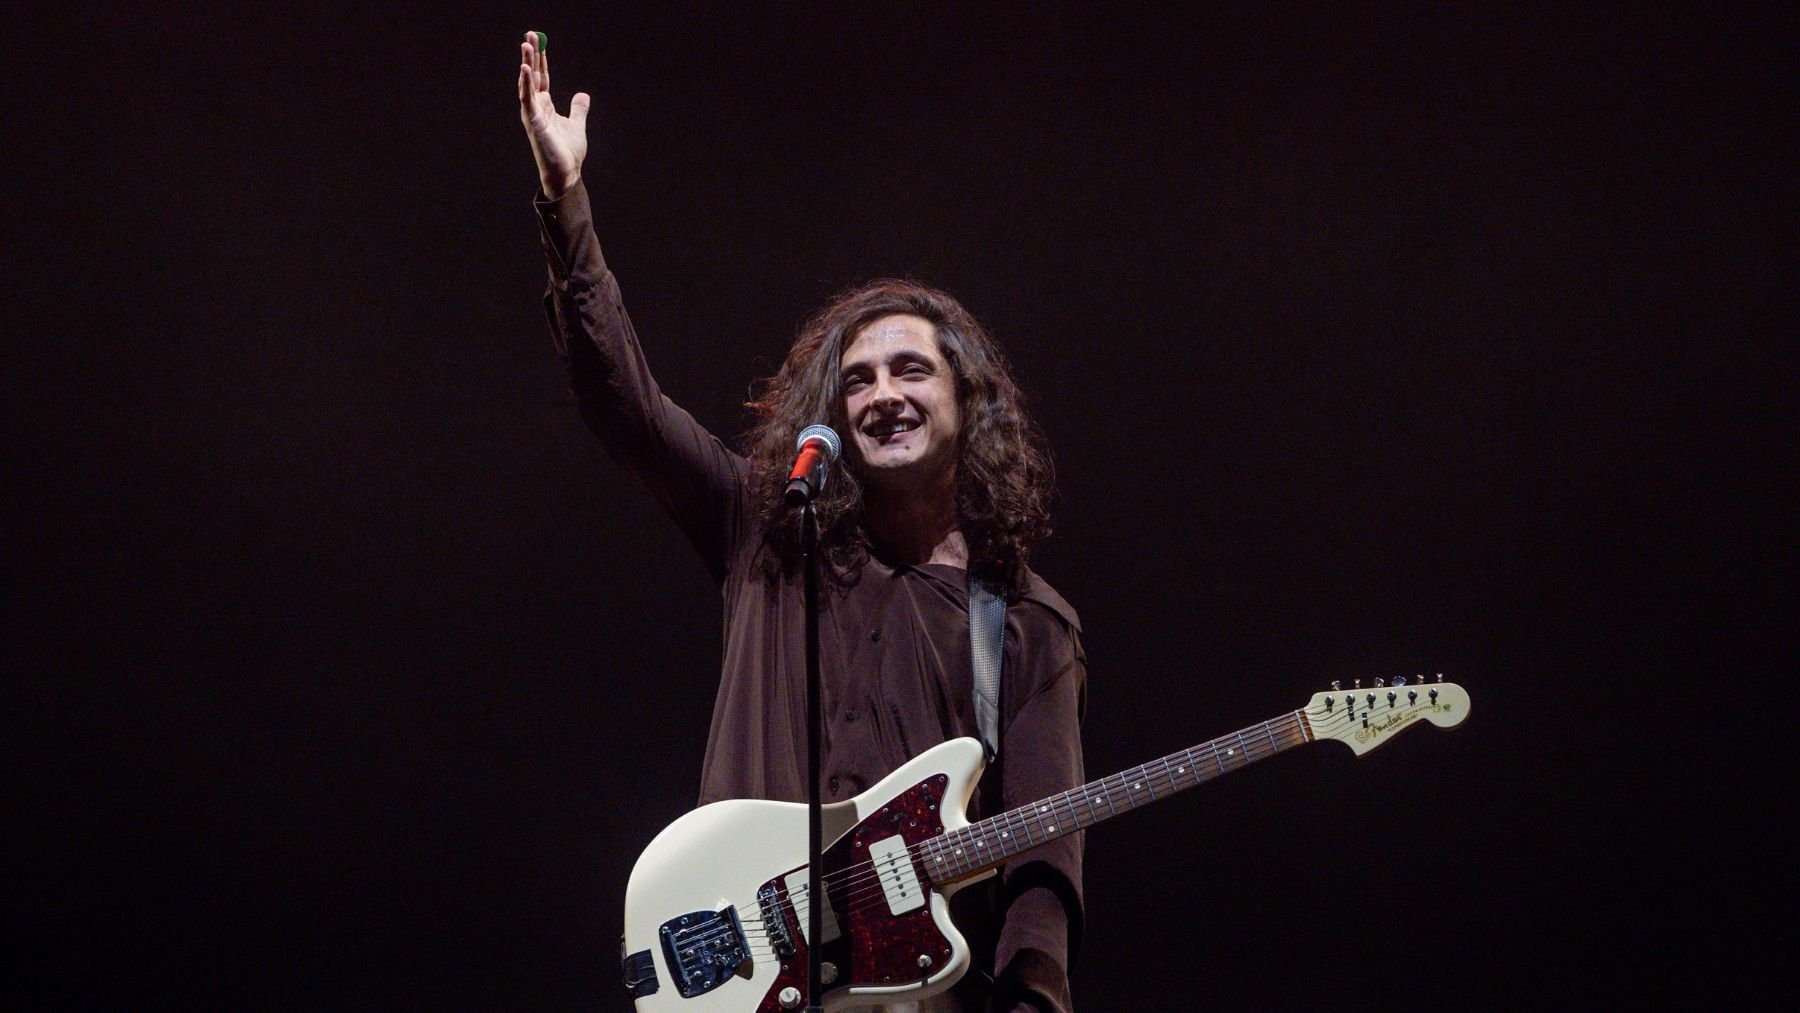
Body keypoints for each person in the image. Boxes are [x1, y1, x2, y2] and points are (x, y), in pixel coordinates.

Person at [517, 32, 1085, 1013]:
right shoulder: (768, 527)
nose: (881, 394)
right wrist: (569, 209)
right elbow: (626, 407)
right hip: (736, 977)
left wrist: (1034, 994)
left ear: (970, 397)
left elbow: (1045, 851)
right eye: (856, 378)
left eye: (912, 369)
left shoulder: (1029, 623)